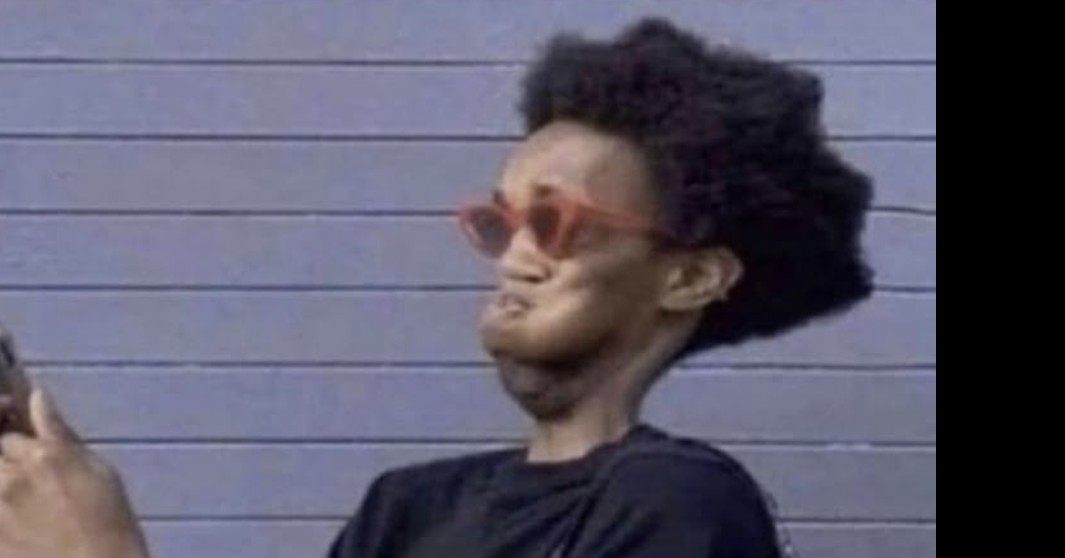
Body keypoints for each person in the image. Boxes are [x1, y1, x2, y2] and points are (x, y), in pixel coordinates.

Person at [0, 18, 872, 558]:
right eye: (499, 224)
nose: (513, 259)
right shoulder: (407, 507)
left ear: (688, 276)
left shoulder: (678, 505)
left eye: (555, 222)